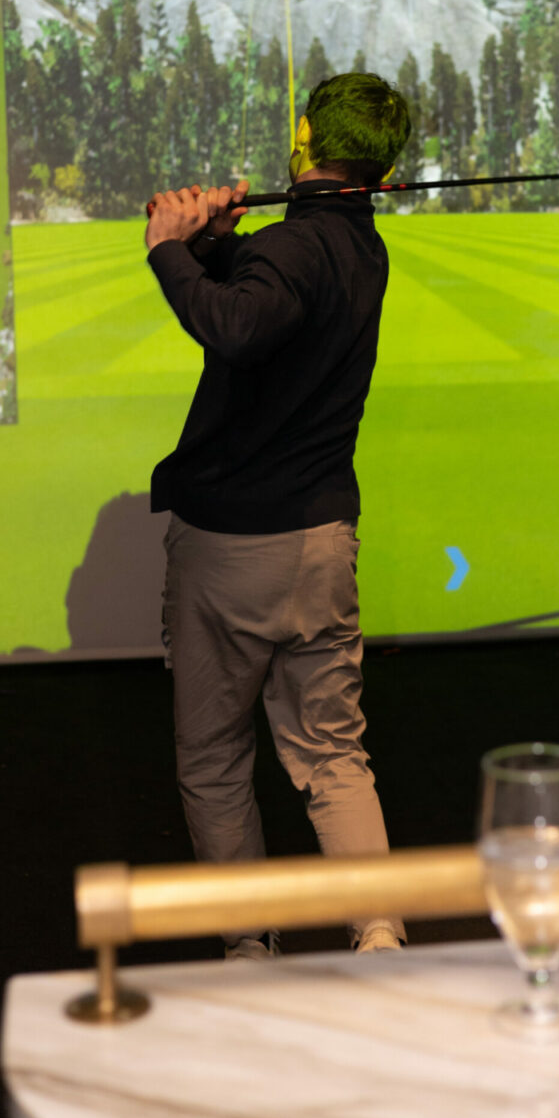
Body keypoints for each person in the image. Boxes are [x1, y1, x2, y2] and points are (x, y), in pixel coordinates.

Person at [144, 71, 411, 957]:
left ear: (303, 138)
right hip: (321, 545)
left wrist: (169, 250)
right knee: (333, 756)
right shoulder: (358, 244)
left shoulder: (296, 248)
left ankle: (248, 951)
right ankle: (380, 937)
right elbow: (276, 294)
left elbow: (239, 326)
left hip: (233, 548)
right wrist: (220, 245)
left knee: (215, 760)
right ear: (380, 172)